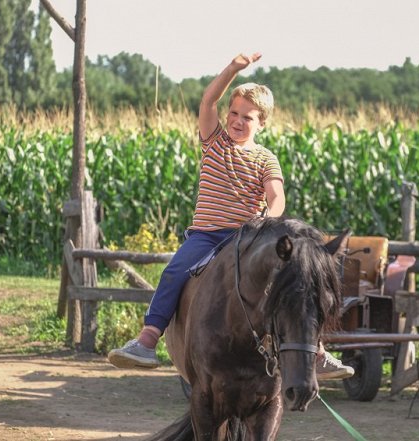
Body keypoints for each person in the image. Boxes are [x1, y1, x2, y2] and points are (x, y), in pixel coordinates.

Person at [108, 53, 354, 380]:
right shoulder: (215, 142)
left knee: (293, 282)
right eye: (234, 113)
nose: (237, 121)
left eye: (247, 117)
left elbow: (276, 195)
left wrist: (270, 216)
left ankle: (318, 353)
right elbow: (208, 100)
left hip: (246, 237)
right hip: (206, 236)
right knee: (174, 272)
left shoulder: (266, 159)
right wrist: (233, 69)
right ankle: (147, 340)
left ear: (262, 123)